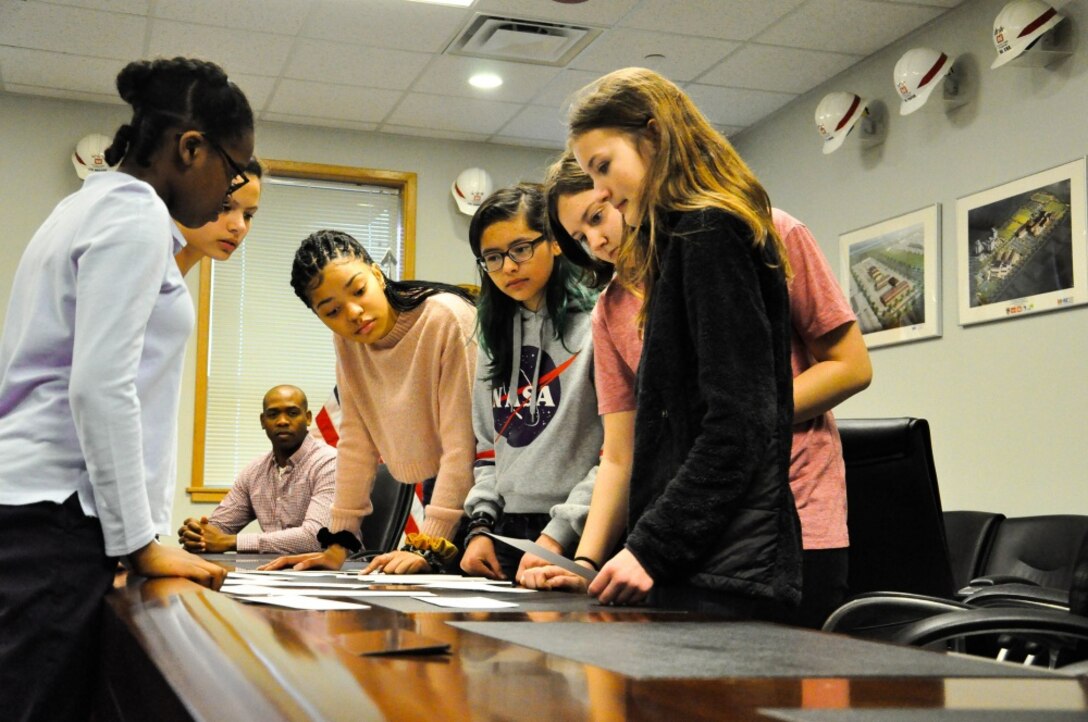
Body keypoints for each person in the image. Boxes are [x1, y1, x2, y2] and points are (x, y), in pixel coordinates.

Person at [0, 57, 254, 721]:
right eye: (231, 171)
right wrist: (138, 540)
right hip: (53, 518)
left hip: (35, 510)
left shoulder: (84, 205)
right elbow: (100, 387)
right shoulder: (138, 218)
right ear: (190, 148)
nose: (230, 191)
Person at [525, 154, 873, 627]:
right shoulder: (611, 309)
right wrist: (585, 562)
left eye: (597, 218)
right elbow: (621, 455)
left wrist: (734, 417)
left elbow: (849, 366)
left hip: (793, 513)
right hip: (687, 526)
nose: (598, 242)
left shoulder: (764, 231)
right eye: (581, 237)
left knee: (794, 692)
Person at [557, 66, 802, 617]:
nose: (601, 191)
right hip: (699, 558)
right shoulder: (681, 243)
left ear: (654, 136)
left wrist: (651, 548)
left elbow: (739, 423)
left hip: (726, 566)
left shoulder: (709, 229)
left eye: (603, 168)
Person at [259, 230, 477, 574]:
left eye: (359, 291)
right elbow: (356, 445)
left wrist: (429, 545)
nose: (354, 313)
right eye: (332, 311)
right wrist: (338, 544)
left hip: (483, 494)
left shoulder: (446, 317)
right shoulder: (349, 343)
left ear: (377, 274)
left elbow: (463, 445)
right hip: (443, 482)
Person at [459, 184, 602, 581]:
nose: (508, 266)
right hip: (505, 533)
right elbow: (488, 449)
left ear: (555, 242)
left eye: (521, 248)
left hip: (579, 530)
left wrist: (558, 535)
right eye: (493, 257)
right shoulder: (493, 334)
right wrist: (480, 527)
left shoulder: (598, 323)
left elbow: (617, 452)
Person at [177, 385, 336, 555]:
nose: (282, 421)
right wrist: (198, 534)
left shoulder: (329, 463)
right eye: (273, 414)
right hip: (272, 569)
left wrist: (231, 542)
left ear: (308, 418)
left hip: (336, 570)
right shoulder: (255, 472)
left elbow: (315, 538)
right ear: (262, 421)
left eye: (292, 413)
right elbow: (219, 529)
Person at [175, 157, 264, 275]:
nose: (240, 226)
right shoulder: (149, 270)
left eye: (248, 215)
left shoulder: (169, 281)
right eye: (224, 206)